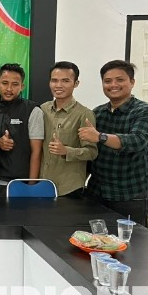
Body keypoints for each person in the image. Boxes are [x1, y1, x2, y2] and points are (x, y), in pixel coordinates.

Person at [79, 60, 148, 227]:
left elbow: (137, 141)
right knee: (96, 239)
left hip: (131, 195)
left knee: (132, 241)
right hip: (97, 193)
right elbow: (90, 153)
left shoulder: (145, 111)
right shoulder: (97, 113)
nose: (113, 85)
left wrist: (100, 137)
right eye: (108, 81)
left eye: (120, 80)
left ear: (132, 82)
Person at [0, 63, 44, 198]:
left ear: (22, 86)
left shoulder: (33, 110)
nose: (9, 89)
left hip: (18, 185)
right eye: (5, 83)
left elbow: (36, 151)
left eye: (15, 84)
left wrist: (31, 186)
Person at [40, 61, 97, 197]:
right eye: (54, 80)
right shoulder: (43, 109)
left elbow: (92, 152)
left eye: (65, 81)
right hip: (42, 183)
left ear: (76, 83)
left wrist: (66, 151)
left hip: (69, 188)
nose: (58, 85)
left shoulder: (84, 114)